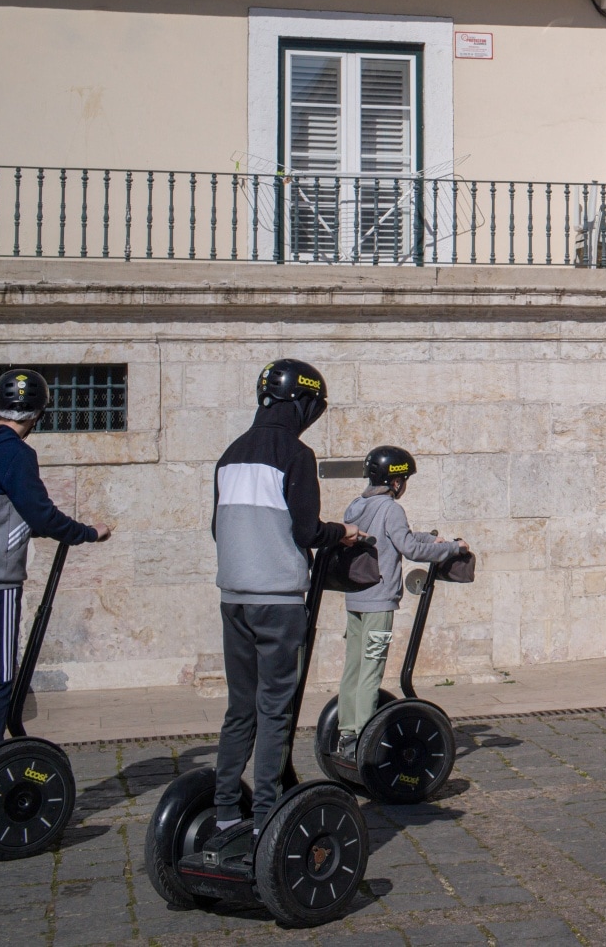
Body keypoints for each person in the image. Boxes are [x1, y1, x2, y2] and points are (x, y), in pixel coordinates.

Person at [0, 370, 114, 812]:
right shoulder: (16, 455)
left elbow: (5, 516)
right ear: (39, 414)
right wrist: (89, 532)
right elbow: (42, 516)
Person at [202, 358, 360, 860]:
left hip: (234, 598)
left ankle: (226, 809)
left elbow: (216, 527)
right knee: (275, 709)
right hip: (277, 602)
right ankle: (266, 816)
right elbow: (307, 532)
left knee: (239, 708)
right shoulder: (295, 454)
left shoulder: (230, 454)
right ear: (305, 404)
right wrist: (344, 533)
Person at [335, 446, 467, 761]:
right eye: (404, 479)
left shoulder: (356, 505)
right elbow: (409, 549)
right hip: (379, 602)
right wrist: (452, 548)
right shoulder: (391, 508)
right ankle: (363, 742)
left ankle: (346, 734)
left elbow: (394, 536)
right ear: (395, 481)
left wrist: (427, 537)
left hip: (355, 599)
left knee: (352, 668)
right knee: (371, 669)